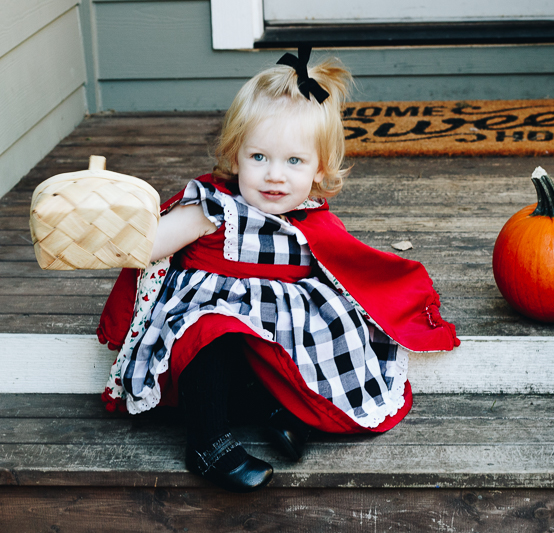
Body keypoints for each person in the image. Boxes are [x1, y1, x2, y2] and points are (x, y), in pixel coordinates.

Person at [96, 47, 460, 493]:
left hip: (274, 326)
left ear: (319, 168)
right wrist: (108, 224)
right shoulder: (214, 209)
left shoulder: (309, 221)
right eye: (259, 157)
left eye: (294, 162)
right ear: (235, 156)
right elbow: (146, 245)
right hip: (210, 318)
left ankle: (281, 411)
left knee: (318, 333)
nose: (274, 177)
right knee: (214, 331)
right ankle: (207, 442)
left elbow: (351, 269)